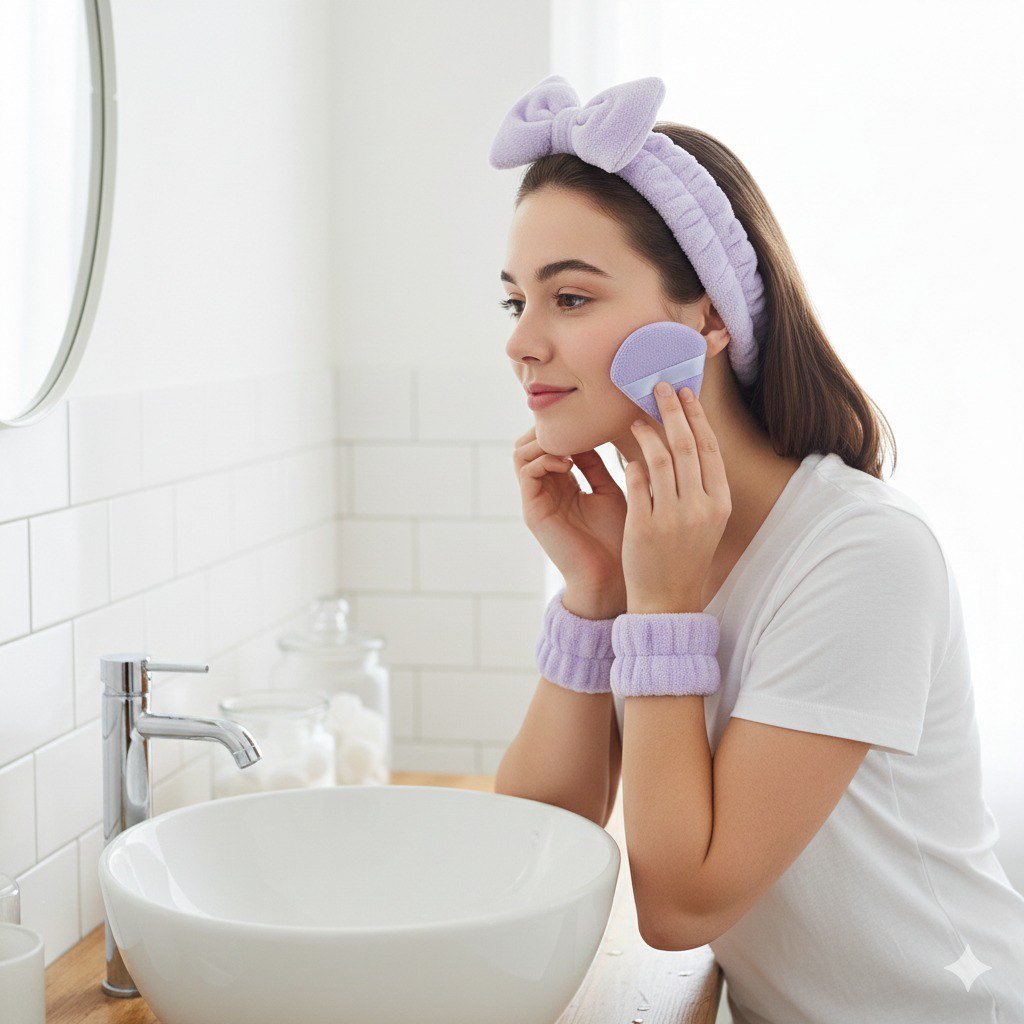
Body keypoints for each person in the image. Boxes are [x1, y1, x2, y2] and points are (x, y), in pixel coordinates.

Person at [490, 75, 1024, 1024]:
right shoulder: (658, 547)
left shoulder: (862, 555)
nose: (522, 343)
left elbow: (679, 907)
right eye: (514, 303)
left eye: (569, 297)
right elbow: (534, 844)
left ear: (707, 318)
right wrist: (594, 590)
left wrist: (662, 608)